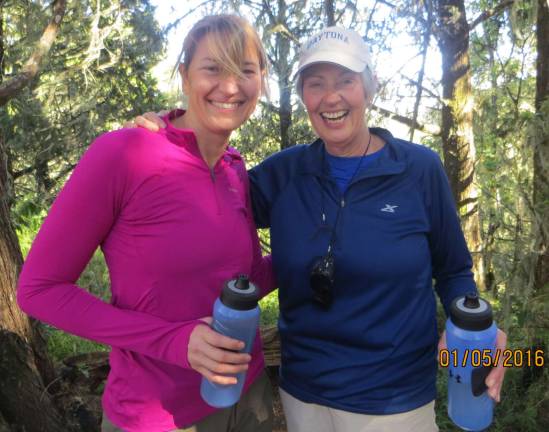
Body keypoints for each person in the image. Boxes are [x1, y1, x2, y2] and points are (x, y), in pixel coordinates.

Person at [128, 26, 507, 432]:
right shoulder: (283, 174)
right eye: (315, 84)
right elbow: (206, 203)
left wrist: (474, 324)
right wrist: (168, 133)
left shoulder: (418, 170)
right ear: (304, 96)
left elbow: (452, 270)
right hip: (302, 394)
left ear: (370, 86)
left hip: (394, 402)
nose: (331, 97)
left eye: (346, 81)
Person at [17, 15, 276, 432]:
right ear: (185, 74)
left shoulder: (234, 168)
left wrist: (316, 249)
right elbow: (38, 291)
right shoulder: (124, 153)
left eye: (246, 70)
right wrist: (174, 341)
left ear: (261, 80)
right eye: (213, 68)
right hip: (157, 415)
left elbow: (243, 279)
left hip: (248, 395)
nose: (230, 87)